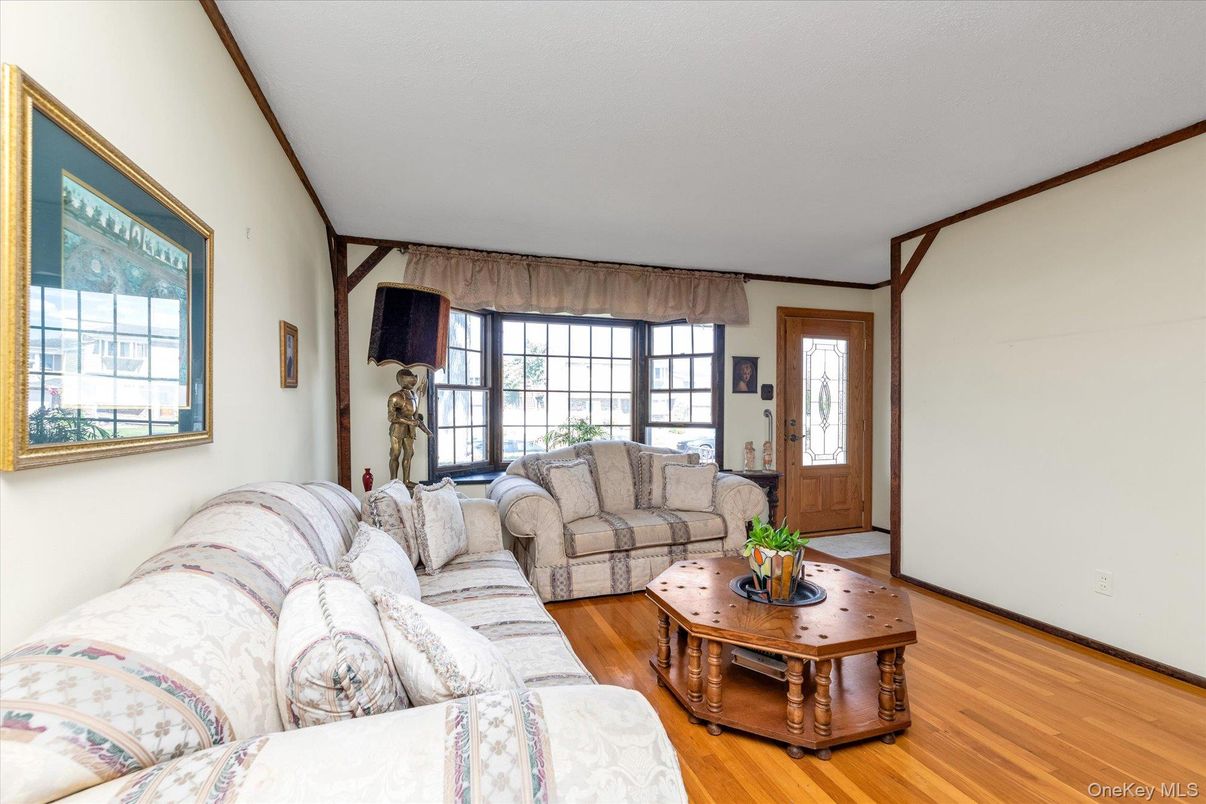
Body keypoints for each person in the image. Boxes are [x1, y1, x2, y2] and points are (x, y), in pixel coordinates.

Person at [387, 368, 432, 487]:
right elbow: (391, 417)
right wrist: (409, 422)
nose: (413, 380)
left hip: (410, 431)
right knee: (395, 454)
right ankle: (393, 482)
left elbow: (417, 418)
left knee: (409, 454)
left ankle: (406, 481)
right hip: (397, 430)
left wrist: (427, 431)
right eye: (410, 377)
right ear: (402, 380)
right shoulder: (395, 397)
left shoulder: (414, 396)